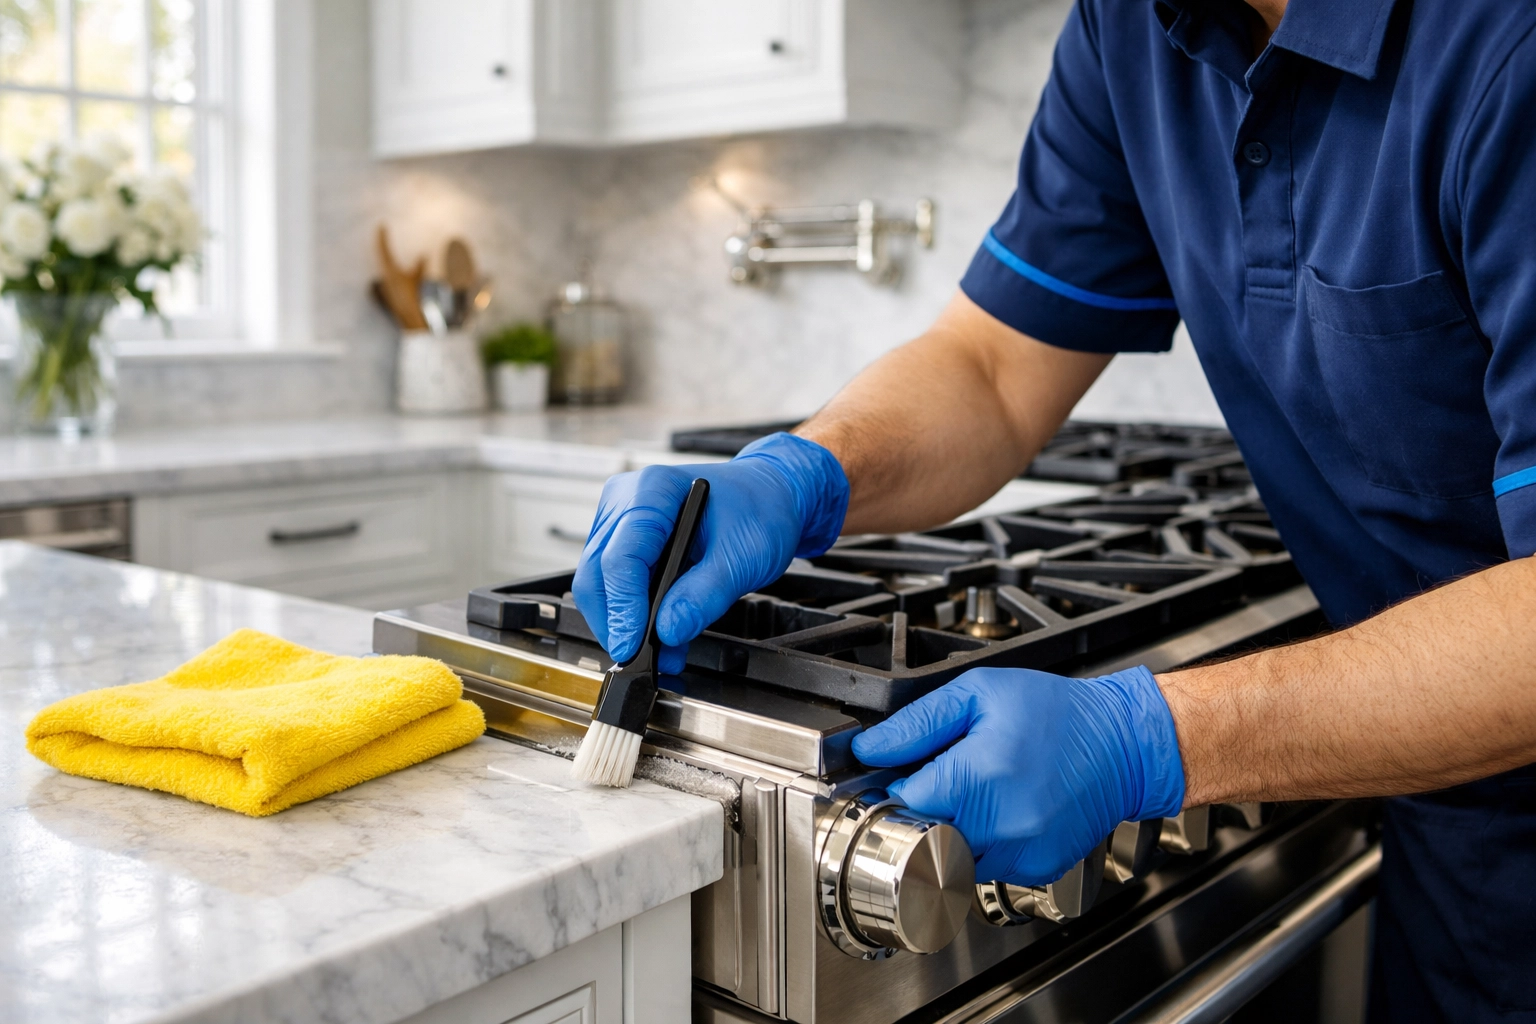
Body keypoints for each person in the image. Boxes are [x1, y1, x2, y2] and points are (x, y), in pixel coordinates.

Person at [572, 1, 1536, 1019]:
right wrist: (802, 469)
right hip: (1458, 832)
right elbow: (991, 367)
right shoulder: (1134, 30)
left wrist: (1155, 739)